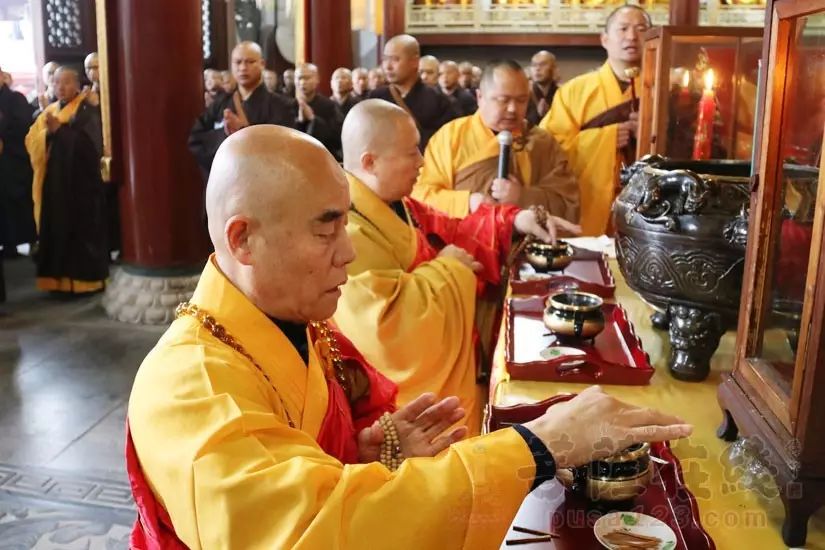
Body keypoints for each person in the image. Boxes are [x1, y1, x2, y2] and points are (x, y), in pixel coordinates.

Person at [127, 122, 693, 548]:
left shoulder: (293, 325)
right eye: (327, 230)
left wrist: (356, 452)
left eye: (347, 224)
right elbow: (309, 528)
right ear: (243, 240)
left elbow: (293, 468)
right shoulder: (190, 388)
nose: (349, 252)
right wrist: (538, 448)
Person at [335, 100, 579, 434]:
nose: (422, 162)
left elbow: (454, 230)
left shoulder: (396, 205)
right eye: (411, 153)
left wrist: (516, 219)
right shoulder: (344, 233)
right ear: (370, 162)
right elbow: (386, 333)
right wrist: (448, 269)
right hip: (400, 412)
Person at [413, 59, 579, 221]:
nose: (513, 109)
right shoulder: (450, 137)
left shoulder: (542, 142)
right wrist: (467, 202)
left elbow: (568, 202)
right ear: (480, 97)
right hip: (463, 245)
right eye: (503, 100)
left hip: (527, 245)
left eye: (521, 100)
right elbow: (420, 194)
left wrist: (523, 196)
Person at [540, 5, 649, 236]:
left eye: (641, 29)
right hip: (589, 201)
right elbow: (548, 148)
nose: (632, 36)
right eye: (623, 29)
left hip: (647, 208)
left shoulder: (661, 92)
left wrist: (652, 134)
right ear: (605, 39)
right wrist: (605, 138)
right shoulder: (575, 91)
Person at [24, 67, 108, 294]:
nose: (61, 87)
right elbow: (31, 142)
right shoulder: (49, 111)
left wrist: (60, 131)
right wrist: (49, 134)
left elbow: (91, 147)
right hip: (54, 183)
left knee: (79, 232)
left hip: (80, 186)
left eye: (67, 82)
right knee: (55, 230)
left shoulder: (86, 110)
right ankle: (57, 282)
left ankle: (84, 283)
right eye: (57, 82)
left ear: (77, 84)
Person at [188, 41, 295, 181]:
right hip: (224, 182)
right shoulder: (221, 102)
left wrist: (244, 132)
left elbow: (283, 149)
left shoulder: (281, 105)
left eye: (250, 62)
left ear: (262, 64)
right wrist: (225, 135)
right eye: (238, 62)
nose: (243, 68)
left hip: (261, 186)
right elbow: (196, 139)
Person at [370, 35, 458, 150]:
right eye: (385, 59)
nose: (388, 66)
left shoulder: (439, 101)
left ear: (415, 62)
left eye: (395, 59)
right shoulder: (375, 98)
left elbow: (448, 143)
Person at [0, 64, 36, 260]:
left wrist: (4, 140)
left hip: (13, 160)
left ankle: (25, 241)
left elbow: (23, 126)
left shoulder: (15, 99)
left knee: (16, 202)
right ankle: (7, 244)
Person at [294, 63, 343, 160]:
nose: (303, 82)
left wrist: (313, 119)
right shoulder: (287, 105)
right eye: (299, 78)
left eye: (307, 78)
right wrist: (300, 122)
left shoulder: (330, 106)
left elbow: (337, 139)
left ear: (317, 79)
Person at [527, 50, 558, 126]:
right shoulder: (525, 94)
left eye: (543, 64)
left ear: (553, 68)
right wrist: (537, 114)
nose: (537, 69)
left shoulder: (561, 94)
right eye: (534, 65)